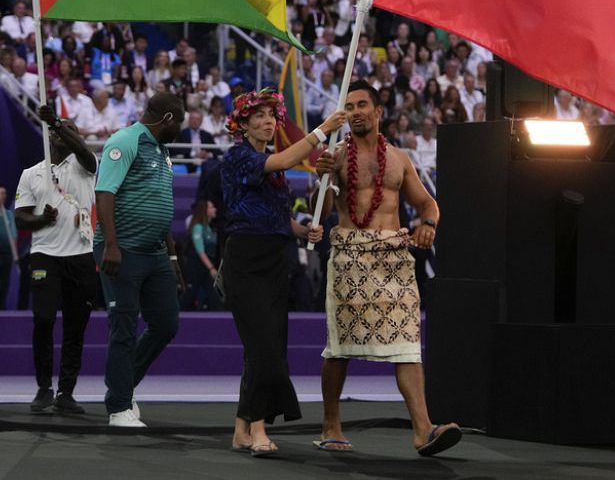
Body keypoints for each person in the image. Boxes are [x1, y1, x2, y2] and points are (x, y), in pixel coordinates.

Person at [310, 80, 461, 457]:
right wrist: (322, 178)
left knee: (408, 346)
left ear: (378, 112)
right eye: (350, 106)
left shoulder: (399, 159)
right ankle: (331, 424)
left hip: (394, 259)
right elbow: (322, 212)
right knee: (339, 347)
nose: (356, 111)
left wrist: (428, 226)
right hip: (350, 256)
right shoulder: (336, 156)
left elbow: (429, 205)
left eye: (363, 105)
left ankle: (423, 431)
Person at [220, 88, 346, 457]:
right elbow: (283, 161)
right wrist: (322, 130)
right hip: (245, 259)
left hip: (277, 259)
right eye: (257, 116)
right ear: (242, 125)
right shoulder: (237, 158)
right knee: (263, 348)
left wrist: (303, 230)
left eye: (270, 116)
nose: (267, 121)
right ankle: (259, 429)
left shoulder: (273, 167)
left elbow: (277, 216)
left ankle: (241, 430)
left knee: (267, 346)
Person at [95, 92, 186, 428]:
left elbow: (161, 204)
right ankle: (118, 407)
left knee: (166, 324)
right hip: (123, 250)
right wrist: (111, 246)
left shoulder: (163, 154)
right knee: (124, 327)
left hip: (156, 253)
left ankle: (122, 383)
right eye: (180, 122)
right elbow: (105, 193)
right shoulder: (124, 141)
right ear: (167, 119)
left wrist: (173, 255)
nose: (180, 129)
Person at [15, 105, 98, 415]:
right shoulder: (31, 174)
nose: (61, 132)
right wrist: (40, 219)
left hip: (80, 255)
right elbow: (21, 220)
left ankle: (66, 391)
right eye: (55, 130)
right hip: (45, 255)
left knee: (76, 328)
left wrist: (60, 124)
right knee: (45, 319)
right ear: (48, 137)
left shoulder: (86, 167)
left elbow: (86, 154)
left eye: (69, 129)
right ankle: (43, 387)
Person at [181, 200, 221, 311]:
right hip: (196, 265)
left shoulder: (210, 229)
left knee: (214, 295)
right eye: (211, 207)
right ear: (204, 210)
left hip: (206, 266)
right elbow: (200, 250)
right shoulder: (198, 227)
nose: (215, 209)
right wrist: (211, 268)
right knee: (190, 293)